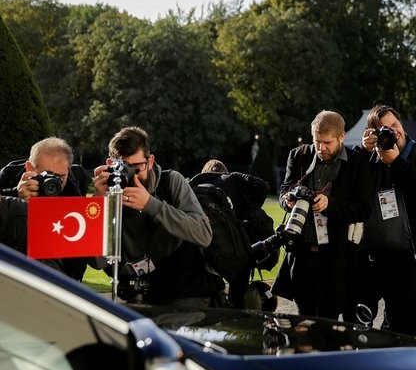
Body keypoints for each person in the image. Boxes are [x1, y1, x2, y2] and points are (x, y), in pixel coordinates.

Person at [91, 126, 219, 305]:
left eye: (137, 167)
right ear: (110, 165)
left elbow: (204, 235)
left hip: (184, 294)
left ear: (150, 162)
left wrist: (151, 205)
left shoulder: (171, 182)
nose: (130, 174)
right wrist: (100, 204)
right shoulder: (109, 195)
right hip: (136, 296)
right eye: (124, 168)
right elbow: (98, 262)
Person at [271, 110, 372, 319]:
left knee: (329, 321)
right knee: (303, 321)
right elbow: (284, 191)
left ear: (342, 137)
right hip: (302, 254)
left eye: (327, 143)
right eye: (317, 141)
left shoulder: (357, 163)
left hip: (335, 258)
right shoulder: (298, 156)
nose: (321, 148)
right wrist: (287, 200)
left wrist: (330, 204)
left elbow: (364, 209)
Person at [354, 104, 416, 338]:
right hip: (372, 257)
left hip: (410, 257)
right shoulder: (368, 158)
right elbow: (349, 181)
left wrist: (397, 162)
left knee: (406, 326)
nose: (394, 132)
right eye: (385, 129)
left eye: (395, 125)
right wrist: (363, 150)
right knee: (359, 321)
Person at [0, 137, 89, 280]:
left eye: (61, 177)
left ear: (68, 170)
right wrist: (16, 195)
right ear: (30, 168)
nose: (54, 183)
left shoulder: (73, 191)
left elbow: (76, 269)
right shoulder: (9, 176)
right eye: (47, 175)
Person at [191, 158, 271, 309]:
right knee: (239, 289)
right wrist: (248, 210)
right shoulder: (233, 180)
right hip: (235, 248)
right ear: (224, 171)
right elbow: (263, 186)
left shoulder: (193, 186)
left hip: (204, 249)